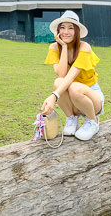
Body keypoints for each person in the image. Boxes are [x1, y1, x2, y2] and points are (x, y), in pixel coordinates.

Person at [40, 10, 105, 141]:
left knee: (74, 86)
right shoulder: (54, 47)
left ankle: (93, 121)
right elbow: (62, 74)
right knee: (58, 82)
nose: (66, 32)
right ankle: (71, 119)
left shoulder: (84, 47)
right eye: (62, 27)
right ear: (58, 30)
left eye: (71, 28)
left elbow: (71, 76)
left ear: (77, 31)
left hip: (91, 97)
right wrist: (63, 47)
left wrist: (53, 96)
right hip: (73, 99)